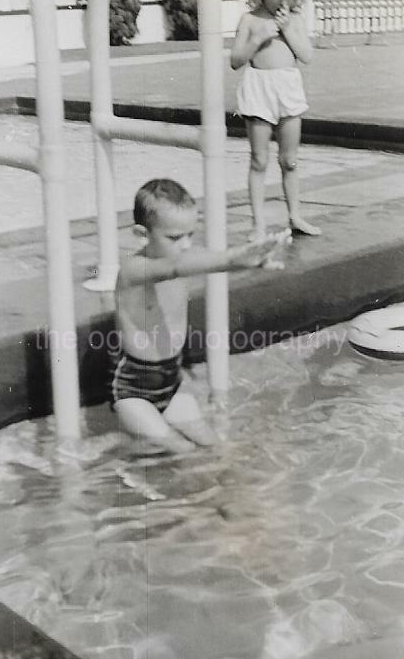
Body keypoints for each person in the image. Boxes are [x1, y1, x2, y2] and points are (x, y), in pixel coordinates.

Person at [110, 178, 289, 454]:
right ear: (141, 233)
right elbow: (175, 267)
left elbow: (198, 262)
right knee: (181, 451)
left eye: (190, 235)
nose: (185, 244)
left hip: (172, 383)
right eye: (174, 237)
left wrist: (253, 262)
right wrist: (233, 257)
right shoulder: (134, 270)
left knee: (216, 447)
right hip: (134, 393)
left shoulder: (182, 258)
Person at [231, 0, 321, 241]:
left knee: (290, 160)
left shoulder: (294, 19)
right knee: (259, 160)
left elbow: (306, 56)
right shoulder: (249, 20)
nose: (283, 2)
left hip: (288, 89)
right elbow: (235, 61)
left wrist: (287, 31)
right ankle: (258, 226)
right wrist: (259, 37)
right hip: (259, 89)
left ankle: (295, 216)